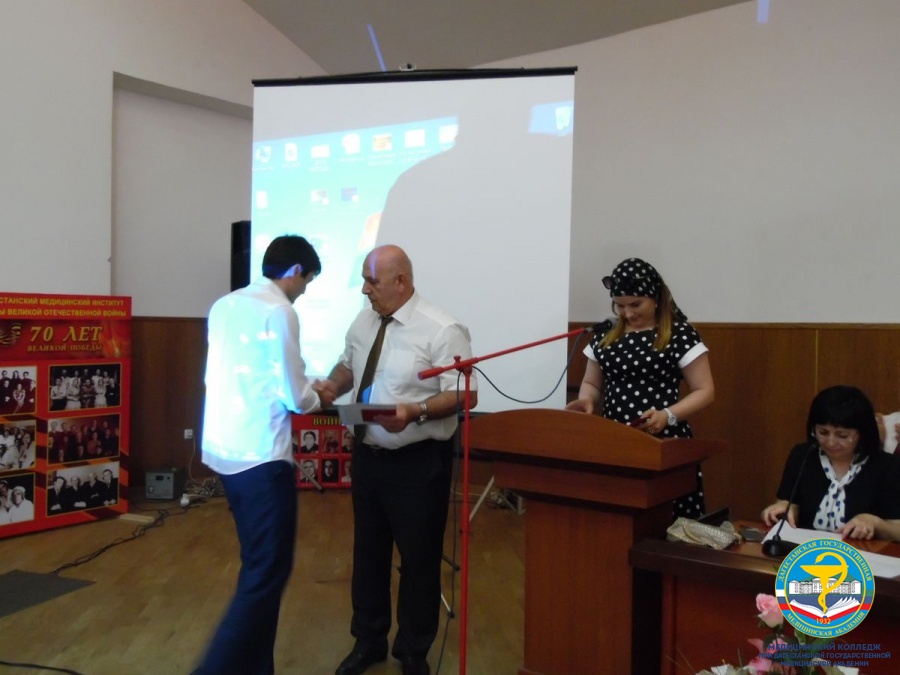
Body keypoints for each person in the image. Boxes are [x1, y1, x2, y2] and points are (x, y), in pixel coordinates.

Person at [316, 244, 477, 675]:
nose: (364, 290)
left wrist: (416, 411)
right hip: (368, 456)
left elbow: (465, 394)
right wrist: (331, 386)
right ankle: (368, 641)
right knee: (368, 554)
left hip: (417, 461)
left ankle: (412, 650)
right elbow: (348, 365)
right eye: (364, 280)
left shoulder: (442, 329)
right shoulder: (365, 320)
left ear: (401, 282)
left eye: (372, 281)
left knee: (419, 559)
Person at [194, 234, 322, 675]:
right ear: (295, 271)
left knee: (257, 567)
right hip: (263, 458)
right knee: (267, 574)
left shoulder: (225, 305)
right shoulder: (279, 311)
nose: (304, 291)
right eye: (307, 281)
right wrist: (319, 395)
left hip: (226, 452)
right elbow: (296, 396)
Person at [566, 257, 714, 519]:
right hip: (615, 442)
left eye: (635, 304)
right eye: (619, 305)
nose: (627, 313)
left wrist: (667, 415)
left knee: (664, 519)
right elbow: (591, 383)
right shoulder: (605, 335)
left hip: (663, 441)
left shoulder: (680, 334)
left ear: (656, 298)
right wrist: (587, 399)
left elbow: (705, 390)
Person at [761, 385, 900, 541]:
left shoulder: (888, 466)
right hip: (807, 550)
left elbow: (897, 529)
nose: (830, 442)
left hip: (861, 554)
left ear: (863, 433)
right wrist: (784, 508)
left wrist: (875, 523)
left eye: (842, 435)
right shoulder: (803, 455)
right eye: (823, 432)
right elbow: (790, 502)